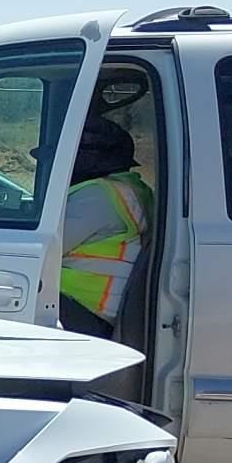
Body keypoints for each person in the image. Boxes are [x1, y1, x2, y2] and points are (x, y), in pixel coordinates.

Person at [58, 114, 153, 337]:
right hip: (108, 311)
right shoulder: (134, 190)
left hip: (86, 310)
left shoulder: (98, 195)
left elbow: (44, 249)